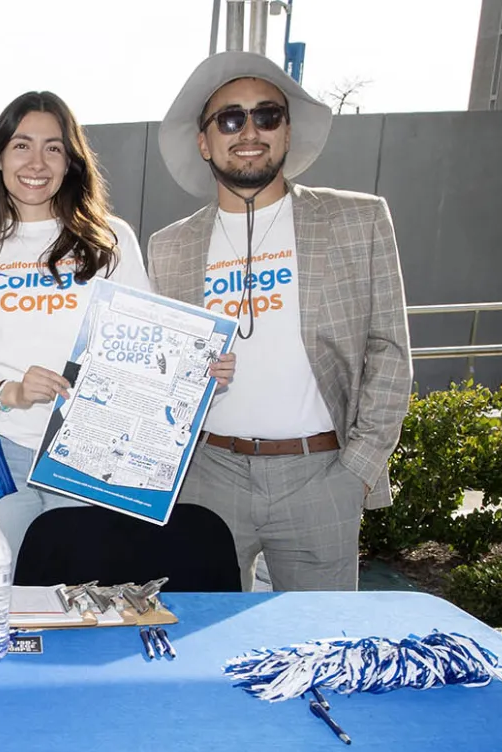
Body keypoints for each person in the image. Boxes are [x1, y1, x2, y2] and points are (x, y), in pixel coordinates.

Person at [0, 90, 232, 555]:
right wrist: (13, 392)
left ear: (71, 162)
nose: (37, 162)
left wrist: (197, 373)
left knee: (79, 593)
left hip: (92, 458)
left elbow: (151, 354)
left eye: (54, 148)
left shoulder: (109, 240)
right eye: (22, 145)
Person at [148, 52, 411, 591]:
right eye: (229, 118)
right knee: (202, 648)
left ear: (287, 132)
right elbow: (159, 368)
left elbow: (389, 350)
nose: (249, 131)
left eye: (267, 116)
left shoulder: (356, 220)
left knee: (320, 650)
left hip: (319, 475)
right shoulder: (169, 247)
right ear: (204, 141)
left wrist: (356, 471)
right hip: (207, 476)